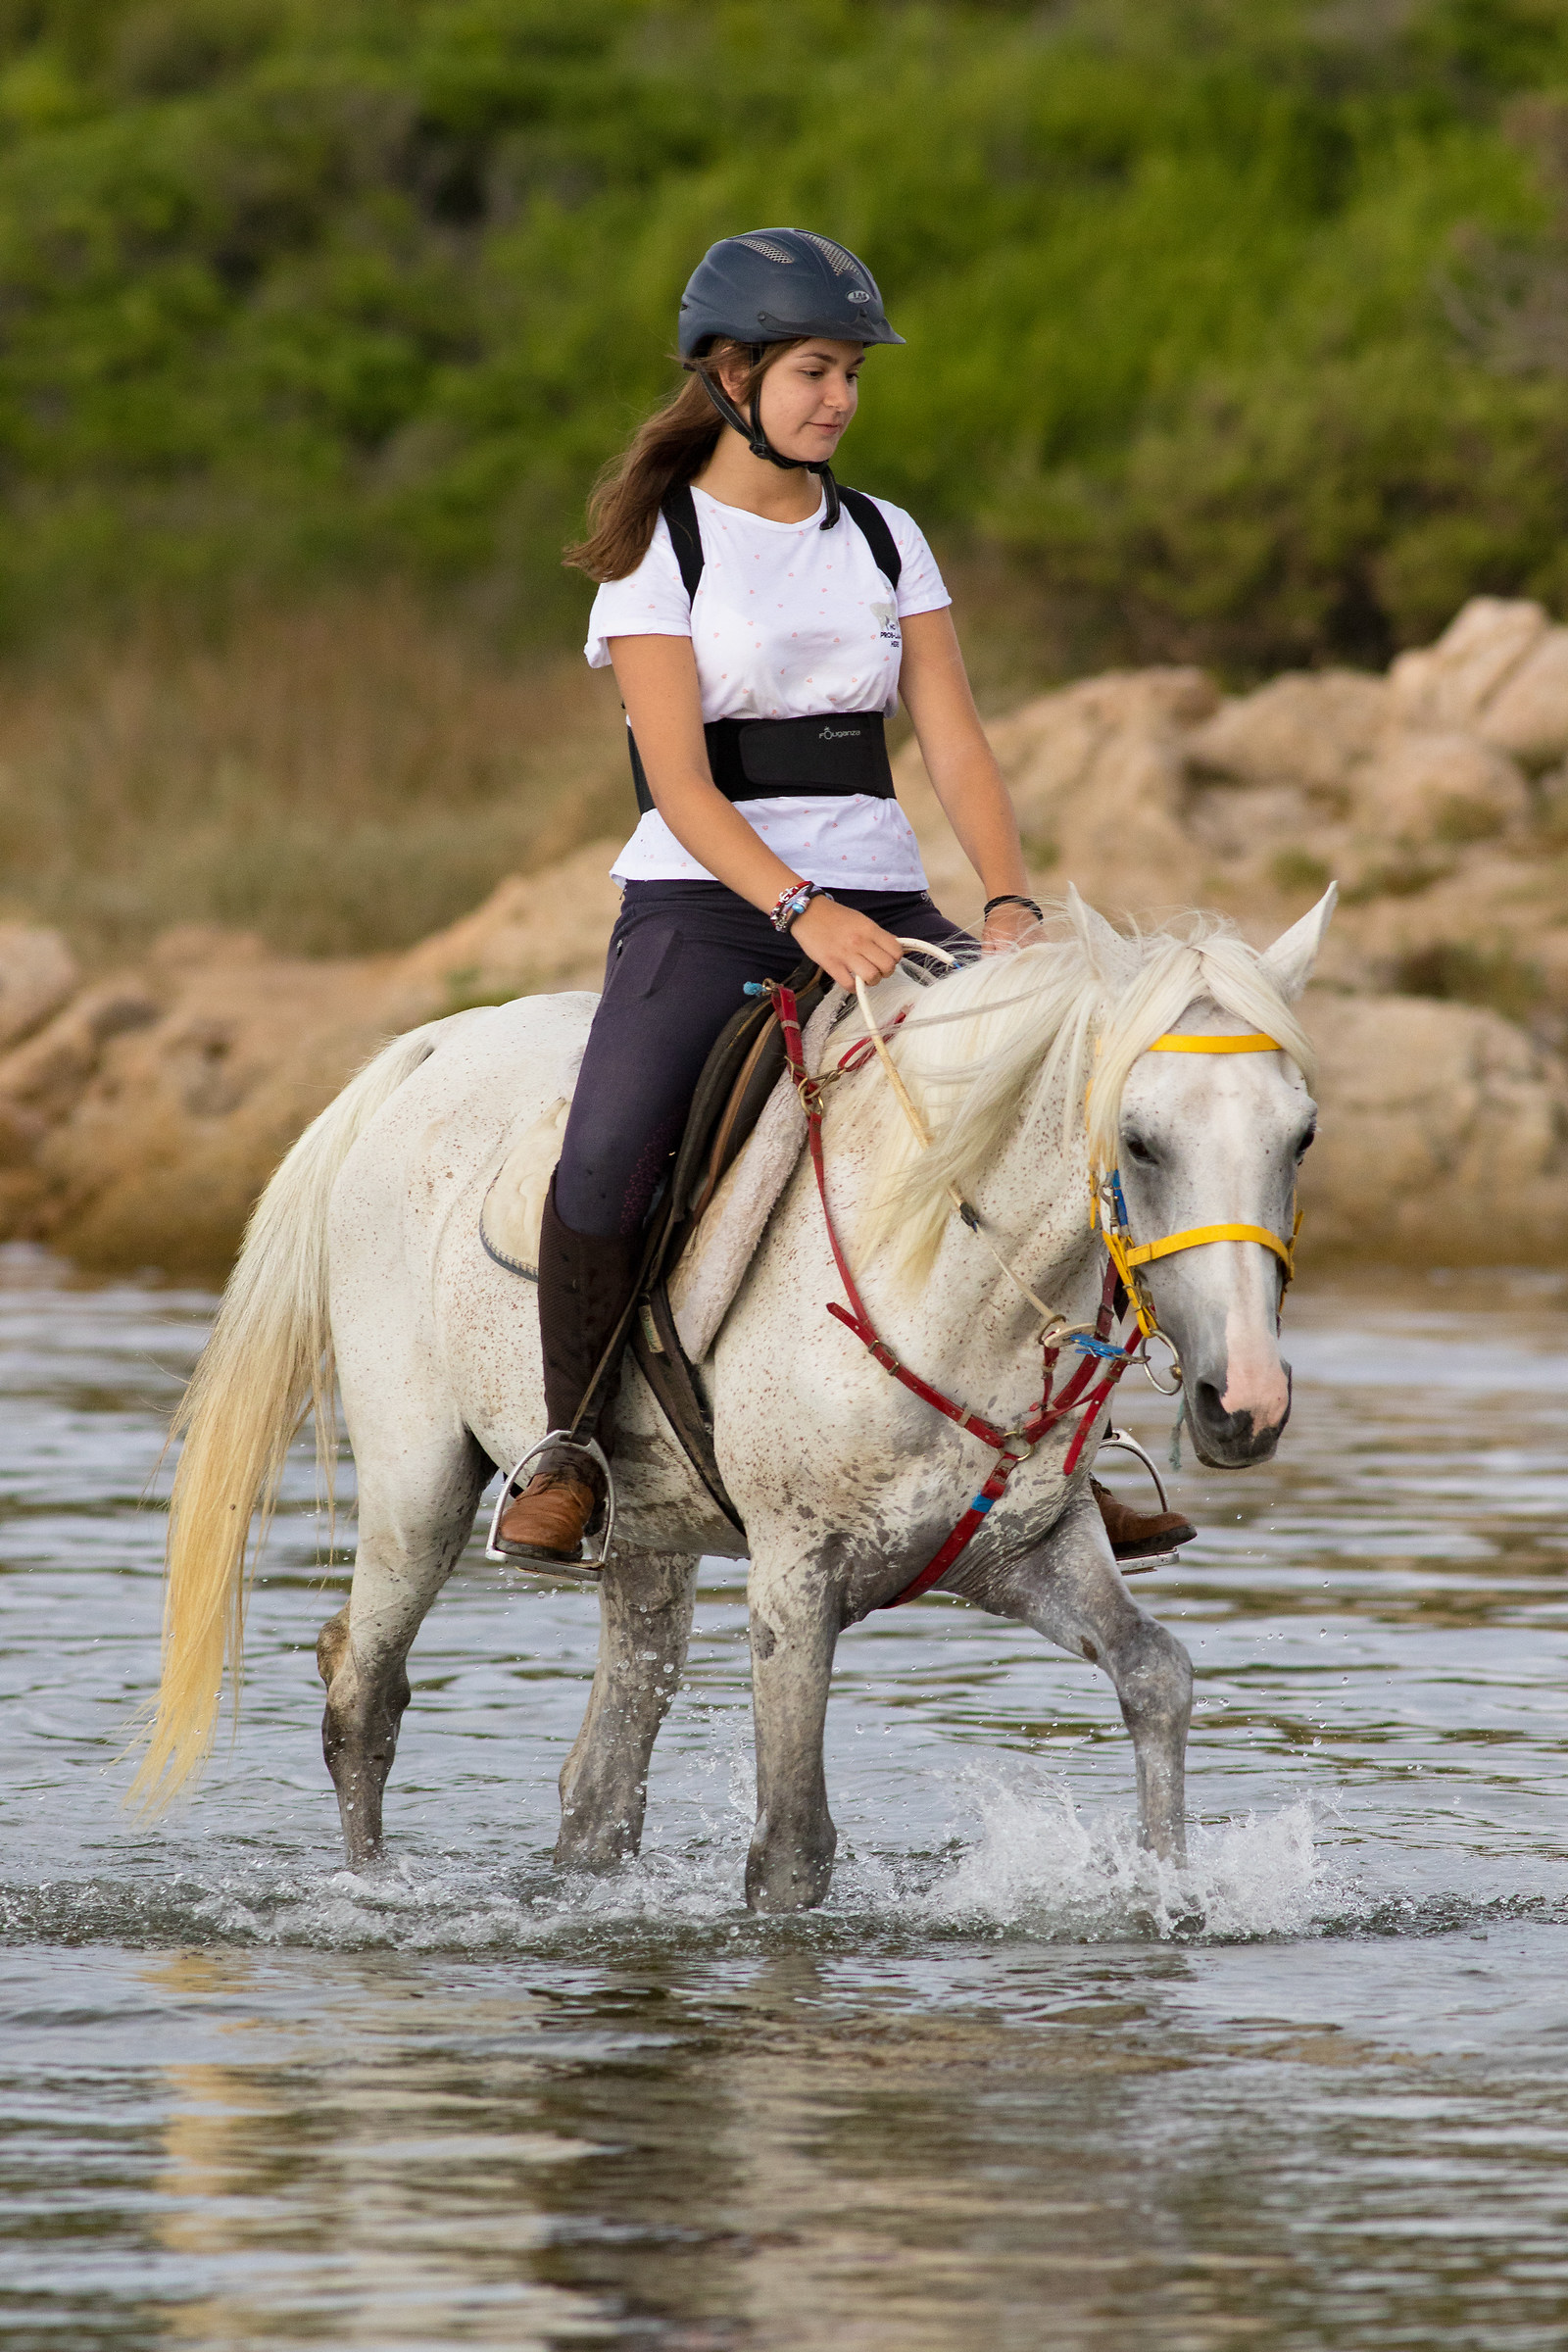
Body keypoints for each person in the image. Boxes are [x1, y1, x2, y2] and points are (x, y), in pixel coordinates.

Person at [494, 227, 1194, 1572]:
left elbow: (955, 738)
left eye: (852, 377)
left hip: (887, 892)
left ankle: (1070, 1435)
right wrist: (800, 907)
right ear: (732, 375)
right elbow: (681, 790)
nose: (839, 400)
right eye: (816, 371)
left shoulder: (884, 534)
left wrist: (1003, 902)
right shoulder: (663, 547)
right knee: (606, 1151)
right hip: (707, 901)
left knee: (1070, 1105)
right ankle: (567, 1443)